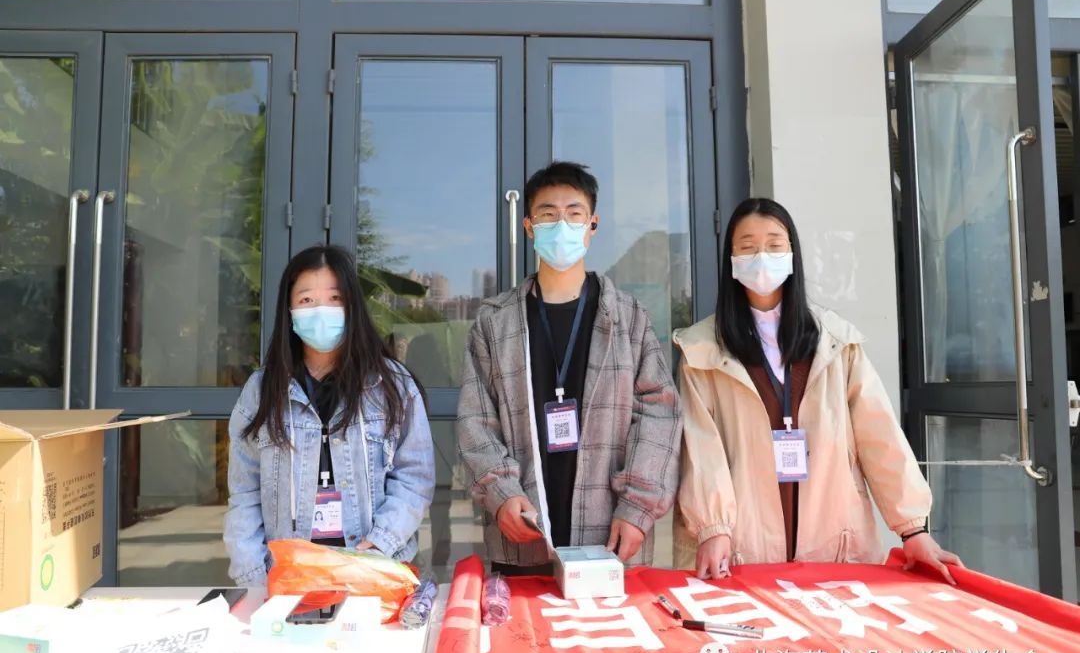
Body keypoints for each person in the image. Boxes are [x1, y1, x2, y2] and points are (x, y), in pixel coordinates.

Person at [674, 198, 962, 583]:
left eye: (774, 245)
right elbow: (700, 448)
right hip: (742, 543)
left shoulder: (836, 341)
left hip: (835, 539)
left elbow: (879, 434)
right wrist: (713, 528)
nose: (762, 257)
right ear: (731, 259)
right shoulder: (702, 350)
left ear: (792, 253)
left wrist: (913, 529)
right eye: (747, 247)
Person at [457, 161, 682, 574]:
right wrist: (501, 493)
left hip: (611, 532)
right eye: (548, 214)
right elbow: (476, 420)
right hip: (523, 529)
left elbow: (659, 412)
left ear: (592, 225)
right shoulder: (494, 322)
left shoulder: (628, 317)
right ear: (529, 227)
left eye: (574, 213)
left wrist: (638, 506)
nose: (561, 225)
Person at [224, 245, 435, 586]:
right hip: (290, 578)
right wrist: (254, 577)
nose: (321, 310)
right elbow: (245, 493)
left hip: (371, 573)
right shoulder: (261, 390)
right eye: (307, 300)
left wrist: (379, 544)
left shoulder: (392, 385)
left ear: (352, 306)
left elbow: (414, 478)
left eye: (335, 298)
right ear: (289, 311)